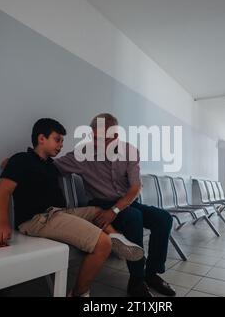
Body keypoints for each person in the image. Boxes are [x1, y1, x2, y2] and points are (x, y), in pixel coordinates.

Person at [0, 118, 144, 297]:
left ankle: (117, 237)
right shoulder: (21, 159)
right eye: (57, 140)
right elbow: (3, 192)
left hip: (60, 213)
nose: (61, 145)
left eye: (62, 141)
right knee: (103, 245)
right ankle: (79, 293)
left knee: (97, 210)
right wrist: (2, 223)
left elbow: (65, 164)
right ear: (42, 138)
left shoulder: (51, 166)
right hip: (39, 219)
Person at [54, 113, 176, 297]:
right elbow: (52, 165)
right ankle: (136, 281)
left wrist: (116, 210)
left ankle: (151, 274)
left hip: (125, 202)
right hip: (99, 204)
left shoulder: (130, 152)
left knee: (163, 218)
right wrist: (19, 162)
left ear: (115, 137)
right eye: (94, 137)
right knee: (134, 217)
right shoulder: (82, 154)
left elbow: (135, 187)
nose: (96, 143)